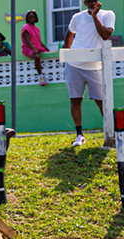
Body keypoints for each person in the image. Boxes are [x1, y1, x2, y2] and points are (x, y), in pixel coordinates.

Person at [64, 0, 115, 147]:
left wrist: (94, 16)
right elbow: (69, 33)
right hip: (74, 65)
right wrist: (67, 57)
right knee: (75, 100)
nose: (91, 2)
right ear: (84, 2)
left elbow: (106, 35)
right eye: (88, 0)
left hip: (95, 66)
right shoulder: (77, 17)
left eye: (93, 0)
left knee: (102, 101)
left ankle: (110, 133)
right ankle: (79, 135)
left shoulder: (107, 14)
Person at [21, 10, 50, 86]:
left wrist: (47, 49)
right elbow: (27, 40)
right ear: (27, 18)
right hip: (28, 48)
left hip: (37, 47)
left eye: (33, 17)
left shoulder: (36, 28)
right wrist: (34, 49)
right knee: (37, 56)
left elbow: (39, 41)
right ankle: (40, 77)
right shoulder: (25, 27)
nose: (31, 18)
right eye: (29, 17)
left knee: (50, 56)